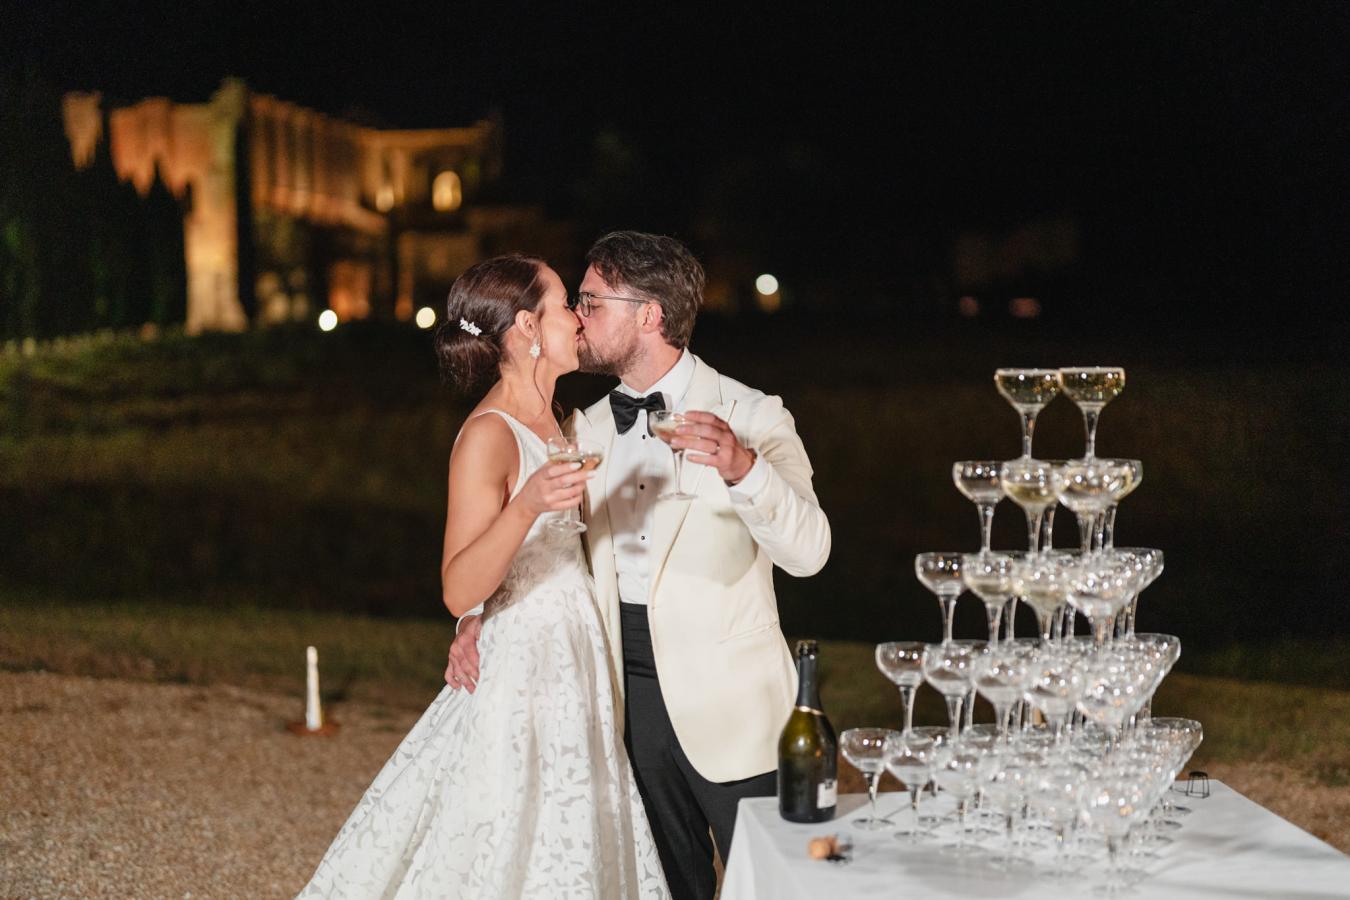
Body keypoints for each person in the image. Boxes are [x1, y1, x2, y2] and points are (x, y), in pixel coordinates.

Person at [446, 232, 832, 900]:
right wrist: (482, 613)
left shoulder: (754, 415)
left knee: (779, 887)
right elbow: (542, 535)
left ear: (649, 314)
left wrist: (744, 468)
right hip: (621, 707)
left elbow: (810, 553)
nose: (579, 317)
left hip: (733, 708)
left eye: (591, 301)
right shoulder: (582, 430)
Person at [298, 255, 668, 899]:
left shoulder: (561, 421)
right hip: (524, 668)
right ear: (528, 326)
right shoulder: (487, 437)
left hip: (576, 654)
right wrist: (526, 506)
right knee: (507, 837)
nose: (579, 320)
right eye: (564, 306)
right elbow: (456, 588)